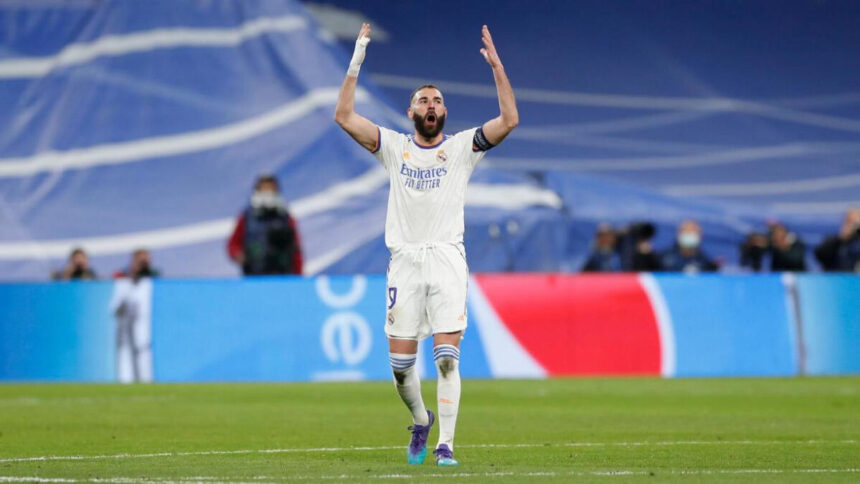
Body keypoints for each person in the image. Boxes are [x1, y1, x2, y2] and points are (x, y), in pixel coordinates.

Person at [334, 23, 518, 466]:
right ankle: (421, 418)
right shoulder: (393, 147)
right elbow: (343, 116)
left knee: (447, 358)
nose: (430, 104)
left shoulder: (460, 149)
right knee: (400, 370)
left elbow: (509, 121)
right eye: (423, 100)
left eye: (437, 100)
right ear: (411, 111)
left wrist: (497, 68)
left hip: (446, 260)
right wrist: (356, 60)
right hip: (405, 263)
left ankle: (446, 446)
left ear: (445, 112)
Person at [227, 175, 303, 276]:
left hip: (283, 275)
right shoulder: (247, 217)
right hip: (255, 275)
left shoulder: (285, 217)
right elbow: (233, 244)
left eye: (270, 188)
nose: (267, 192)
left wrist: (298, 275)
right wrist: (239, 255)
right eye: (264, 188)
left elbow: (296, 249)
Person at [111, 249, 158, 383]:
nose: (143, 264)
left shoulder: (153, 280)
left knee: (144, 362)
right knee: (125, 365)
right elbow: (114, 308)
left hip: (144, 334)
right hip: (125, 335)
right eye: (140, 261)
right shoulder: (123, 282)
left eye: (146, 260)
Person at [740, 223, 807, 272]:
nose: (776, 237)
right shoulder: (772, 244)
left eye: (778, 234)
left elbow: (795, 259)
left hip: (798, 277)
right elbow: (746, 262)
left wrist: (779, 247)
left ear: (784, 234)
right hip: (776, 277)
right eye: (774, 235)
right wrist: (753, 246)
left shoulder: (797, 243)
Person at [814, 207, 860, 272]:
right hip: (838, 277)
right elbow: (820, 255)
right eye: (850, 221)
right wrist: (840, 238)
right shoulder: (835, 240)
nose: (854, 226)